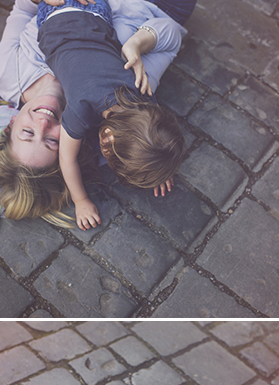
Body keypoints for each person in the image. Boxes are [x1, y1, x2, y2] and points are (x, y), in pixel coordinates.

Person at [0, 0, 188, 228]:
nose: (43, 123)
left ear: (11, 123)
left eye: (28, 132)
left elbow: (23, 8)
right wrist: (157, 160)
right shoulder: (137, 87)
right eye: (52, 140)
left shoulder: (7, 73)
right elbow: (171, 34)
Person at [35, 0, 184, 230]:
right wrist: (80, 200)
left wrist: (159, 162)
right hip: (53, 18)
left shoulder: (142, 94)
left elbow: (156, 133)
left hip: (97, 15)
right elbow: (67, 158)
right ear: (105, 140)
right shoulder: (81, 105)